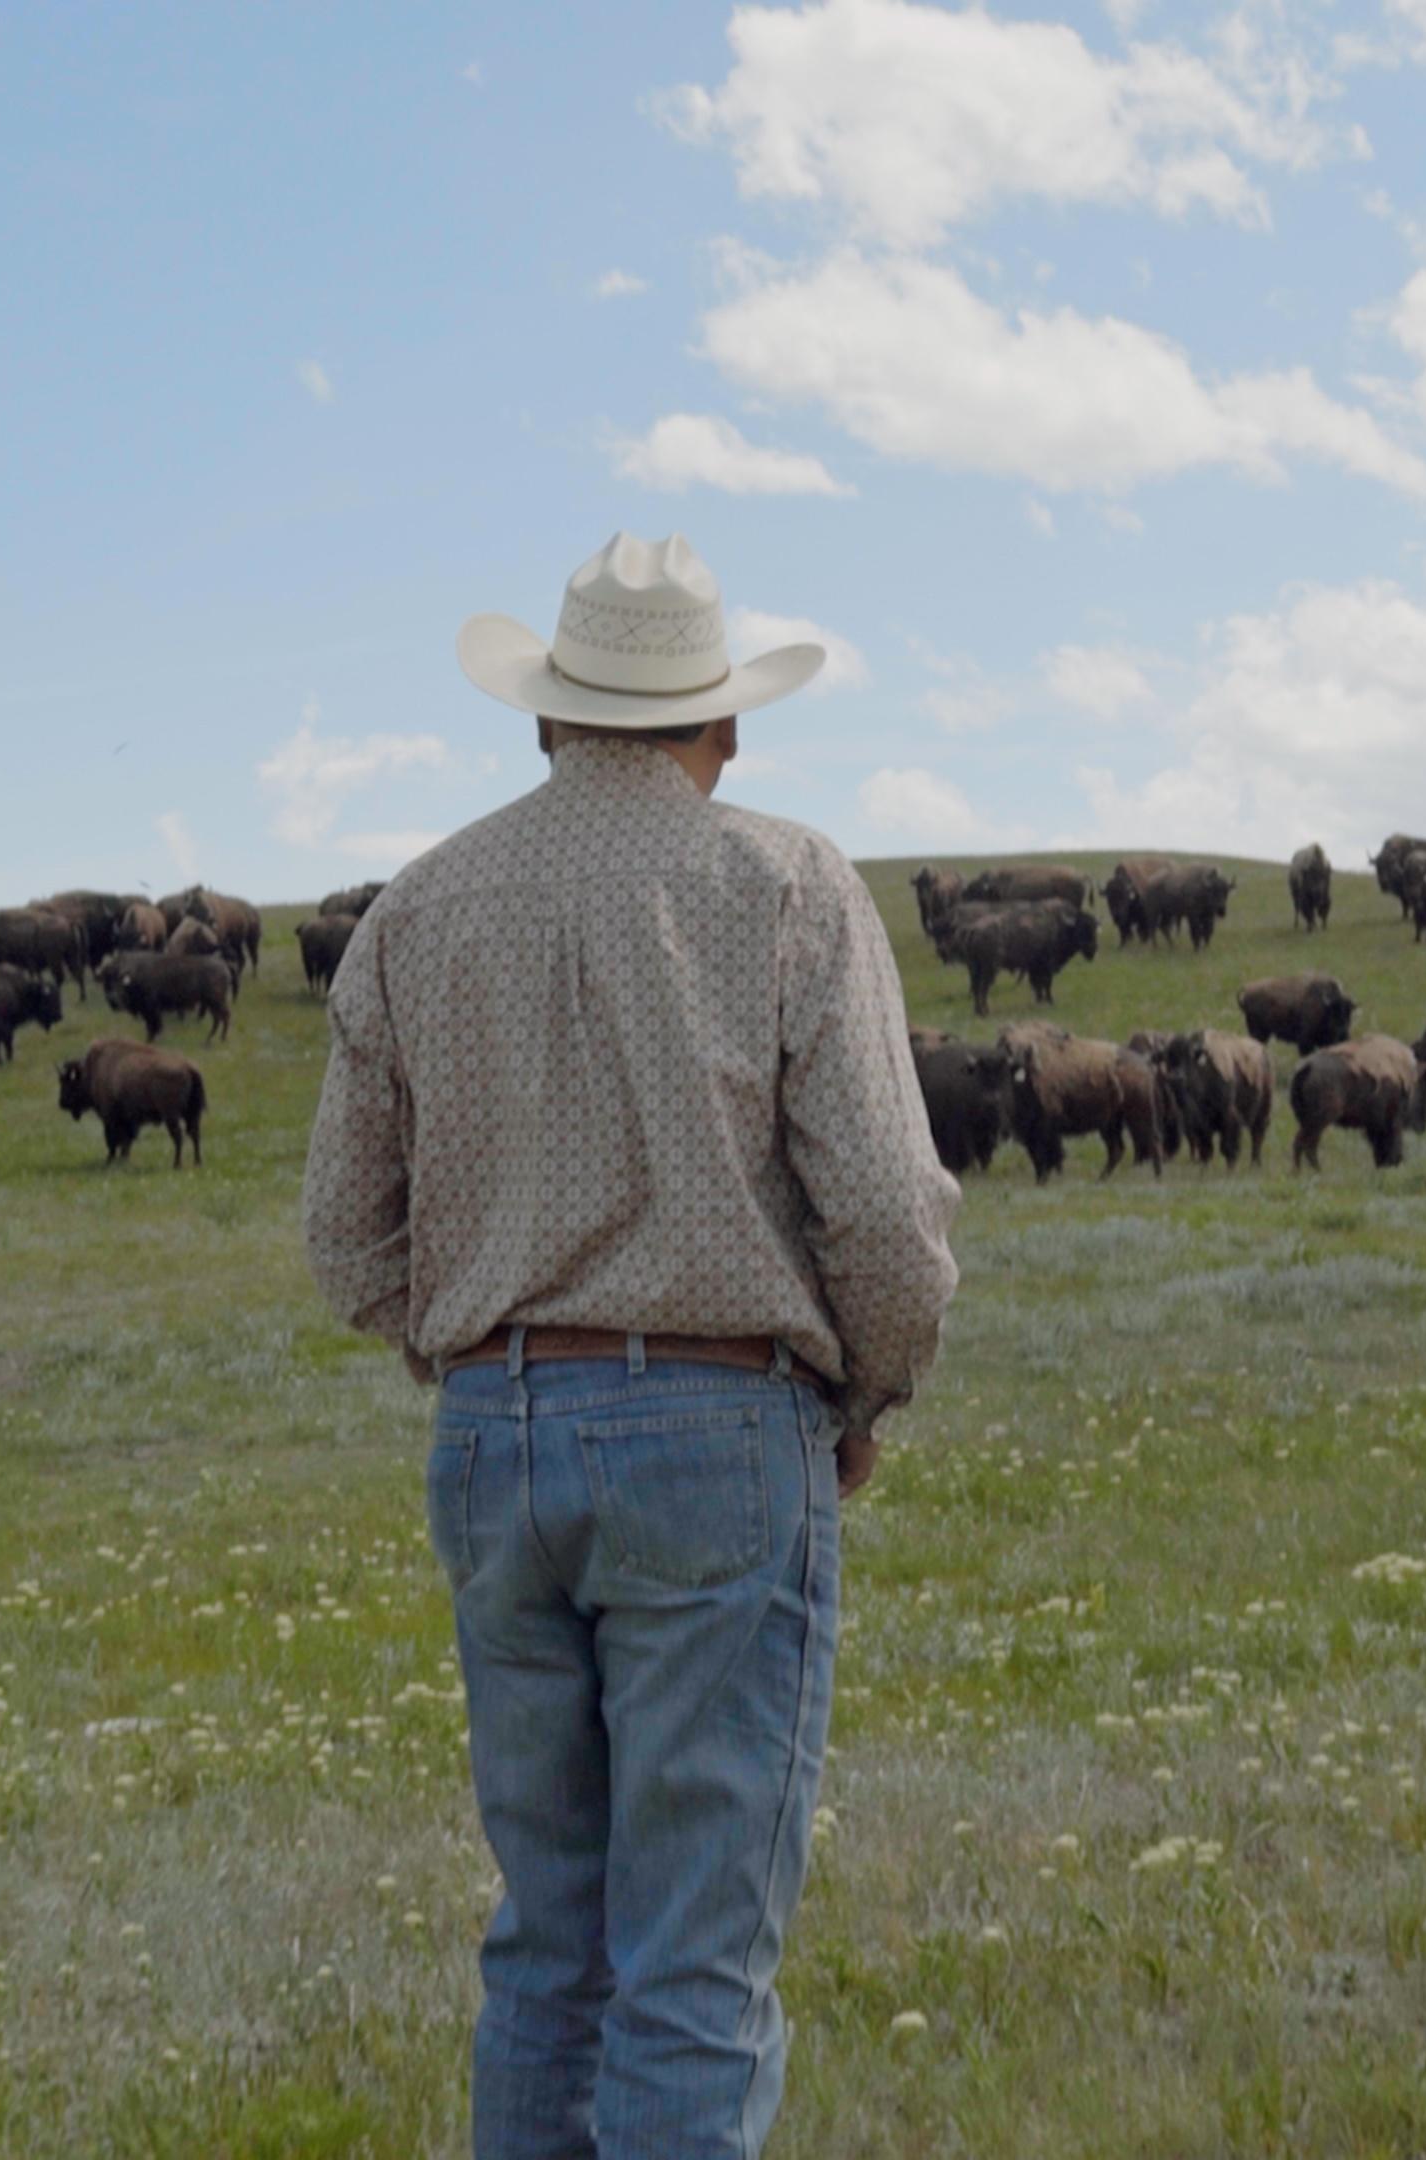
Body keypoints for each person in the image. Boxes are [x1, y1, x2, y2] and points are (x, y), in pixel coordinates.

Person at [303, 532, 960, 2159]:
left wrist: (467, 1350)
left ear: (543, 717)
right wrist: (865, 1392)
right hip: (720, 1434)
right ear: (719, 728)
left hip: (491, 1438)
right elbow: (882, 1208)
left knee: (547, 1949)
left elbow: (342, 1236)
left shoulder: (416, 909)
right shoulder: (790, 885)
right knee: (691, 1968)